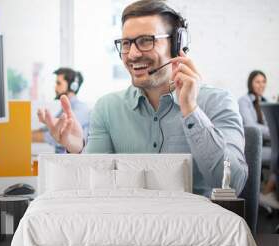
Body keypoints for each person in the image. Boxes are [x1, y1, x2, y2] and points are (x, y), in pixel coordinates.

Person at [38, 0, 247, 197]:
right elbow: (97, 192)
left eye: (146, 41)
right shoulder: (107, 108)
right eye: (126, 43)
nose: (133, 54)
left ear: (177, 45)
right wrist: (78, 151)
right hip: (130, 229)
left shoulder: (217, 101)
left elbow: (233, 184)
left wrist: (191, 111)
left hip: (197, 231)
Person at [238, 70, 279, 209]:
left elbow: (269, 125)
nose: (261, 85)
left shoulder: (265, 101)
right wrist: (274, 131)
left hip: (266, 145)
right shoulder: (244, 101)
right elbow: (251, 127)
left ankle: (268, 191)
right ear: (251, 83)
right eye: (257, 81)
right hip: (252, 148)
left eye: (263, 81)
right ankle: (267, 191)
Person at [32, 68, 90, 153]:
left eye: (59, 83)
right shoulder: (64, 109)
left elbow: (53, 136)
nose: (55, 87)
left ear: (73, 86)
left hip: (70, 162)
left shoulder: (80, 109)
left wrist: (25, 136)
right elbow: (47, 128)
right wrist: (26, 132)